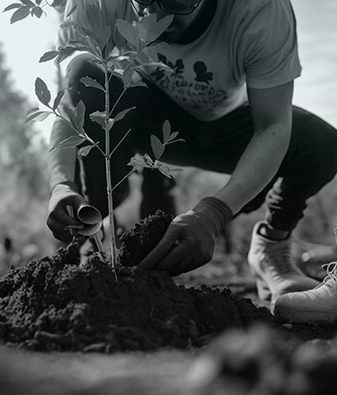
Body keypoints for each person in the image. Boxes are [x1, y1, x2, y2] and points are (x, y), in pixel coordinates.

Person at [47, 0, 337, 322]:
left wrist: (214, 213)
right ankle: (93, 235)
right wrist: (61, 183)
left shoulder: (260, 10)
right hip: (147, 118)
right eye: (145, 2)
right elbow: (71, 102)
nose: (159, 16)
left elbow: (273, 125)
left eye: (177, 2)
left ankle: (271, 248)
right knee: (85, 69)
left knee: (323, 147)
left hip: (232, 125)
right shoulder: (98, 3)